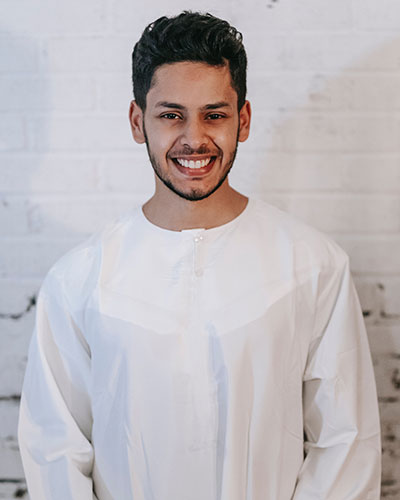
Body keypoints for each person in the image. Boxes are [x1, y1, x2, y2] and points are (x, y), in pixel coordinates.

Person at [18, 11, 381, 500]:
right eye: (171, 115)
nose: (194, 138)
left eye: (214, 114)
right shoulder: (78, 280)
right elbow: (55, 452)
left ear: (243, 120)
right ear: (137, 121)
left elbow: (345, 445)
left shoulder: (313, 266)